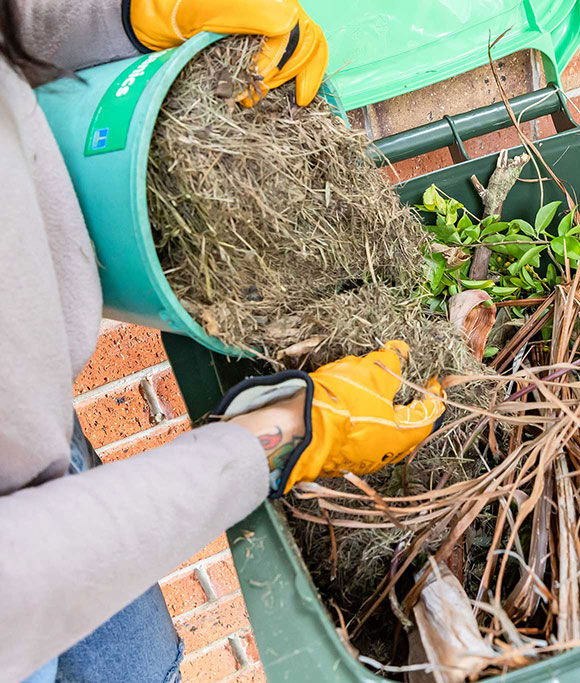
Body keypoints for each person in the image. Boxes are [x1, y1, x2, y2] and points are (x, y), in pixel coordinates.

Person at [0, 1, 444, 680]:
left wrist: (136, 13)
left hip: (34, 440)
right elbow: (20, 578)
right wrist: (273, 433)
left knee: (143, 663)